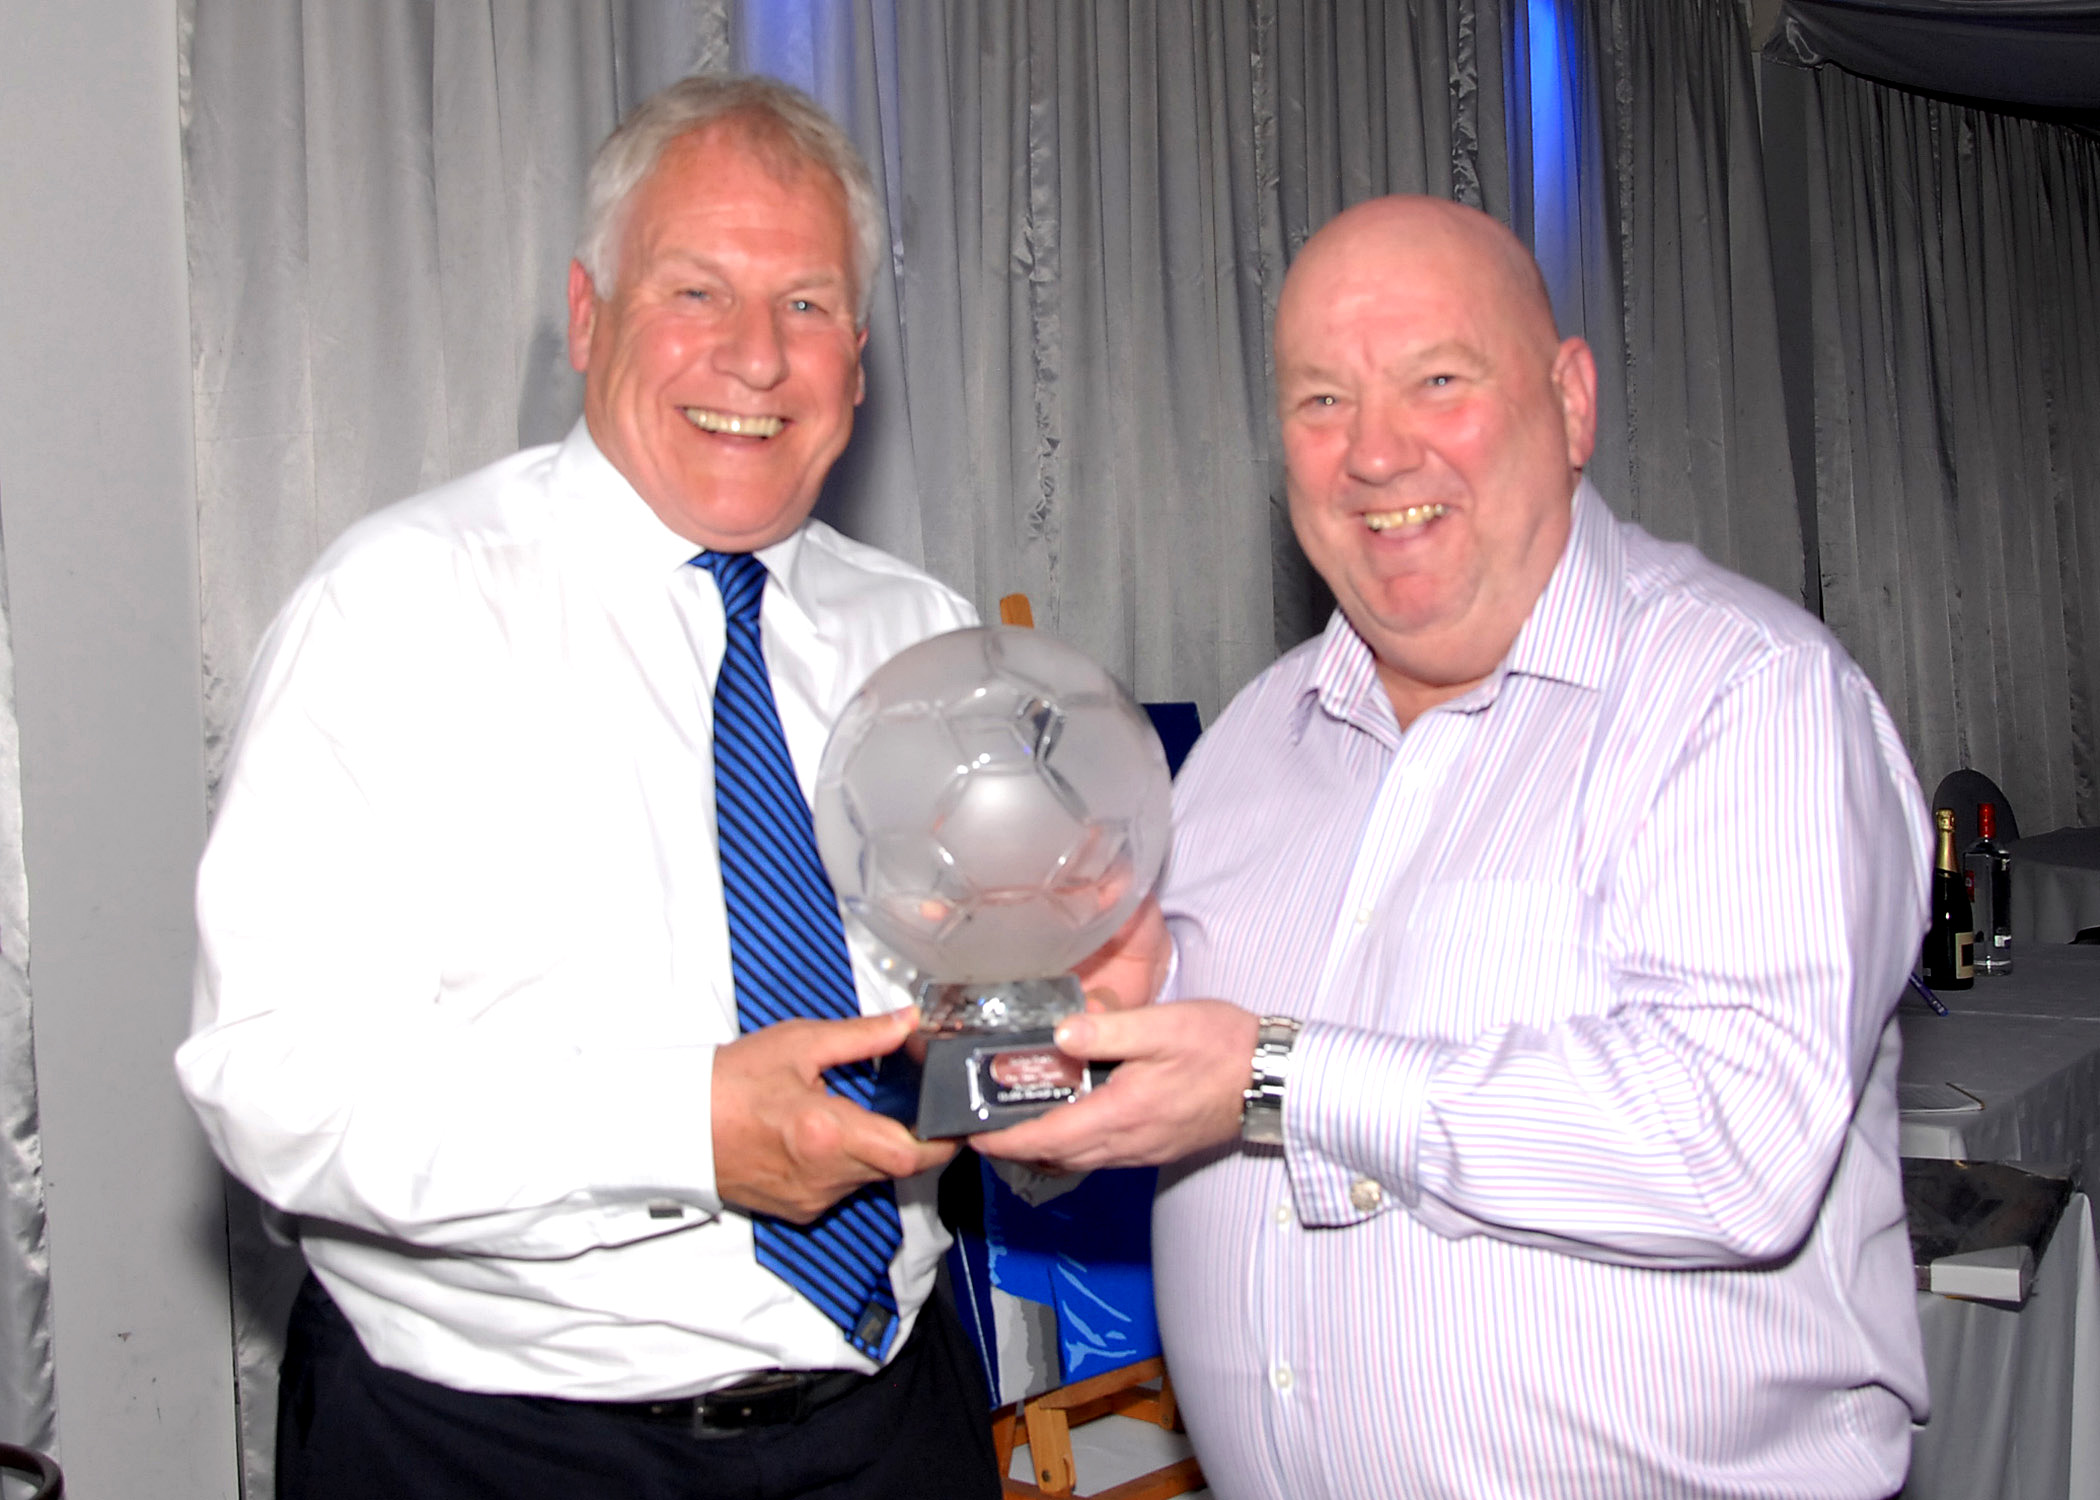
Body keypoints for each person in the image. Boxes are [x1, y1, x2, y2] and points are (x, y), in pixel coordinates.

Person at [977, 195, 1931, 1498]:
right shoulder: (1256, 737)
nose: (1374, 453)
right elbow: (1167, 1099)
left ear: (1573, 402)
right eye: (1322, 402)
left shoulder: (1744, 695)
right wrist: (1062, 1064)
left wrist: (1275, 1078)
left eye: (1438, 380)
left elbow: (1735, 1145)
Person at [177, 75, 1001, 1500]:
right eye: (697, 289)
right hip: (491, 1448)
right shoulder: (393, 615)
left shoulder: (924, 637)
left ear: (857, 363)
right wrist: (684, 1130)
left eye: (807, 305)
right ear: (585, 317)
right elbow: (275, 1086)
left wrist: (1057, 1028)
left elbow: (969, 1005)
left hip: (893, 1424)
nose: (756, 358)